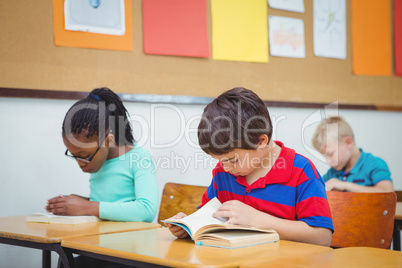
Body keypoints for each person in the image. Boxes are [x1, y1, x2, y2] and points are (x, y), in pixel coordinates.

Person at [165, 87, 333, 246]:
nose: (226, 167)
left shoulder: (300, 171)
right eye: (221, 160)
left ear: (260, 141)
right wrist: (188, 226)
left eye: (232, 160)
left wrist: (257, 220)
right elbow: (209, 217)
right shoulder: (223, 172)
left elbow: (322, 237)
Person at [45, 87, 158, 268]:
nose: (80, 163)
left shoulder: (139, 158)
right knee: (65, 263)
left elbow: (146, 209)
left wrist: (87, 206)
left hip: (132, 252)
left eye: (84, 155)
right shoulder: (98, 161)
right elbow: (112, 202)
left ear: (109, 140)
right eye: (74, 155)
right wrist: (78, 203)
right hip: (100, 247)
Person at [312, 116, 393, 192]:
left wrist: (345, 185)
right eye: (325, 156)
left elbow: (387, 191)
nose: (328, 161)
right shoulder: (332, 173)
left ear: (348, 143)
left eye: (330, 154)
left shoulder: (375, 164)